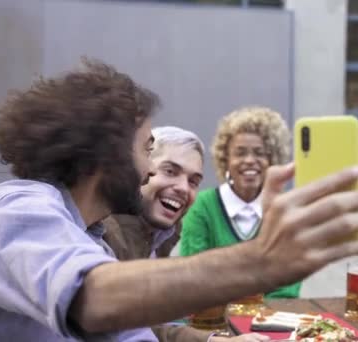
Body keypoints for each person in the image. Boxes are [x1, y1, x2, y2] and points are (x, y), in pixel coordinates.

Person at [0, 59, 358, 341]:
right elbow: (93, 298)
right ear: (106, 151)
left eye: (194, 179)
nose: (150, 170)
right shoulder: (16, 207)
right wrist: (260, 260)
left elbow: (132, 334)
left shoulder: (91, 238)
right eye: (148, 149)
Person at [103, 126, 269, 342]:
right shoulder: (108, 234)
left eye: (193, 181)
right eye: (170, 171)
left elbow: (148, 325)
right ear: (142, 169)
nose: (183, 187)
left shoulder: (161, 232)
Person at [179, 107, 300, 298]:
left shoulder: (284, 208)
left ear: (272, 159)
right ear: (225, 159)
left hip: (271, 321)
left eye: (259, 153)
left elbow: (286, 289)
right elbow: (193, 277)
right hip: (211, 320)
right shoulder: (202, 206)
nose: (250, 160)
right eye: (240, 153)